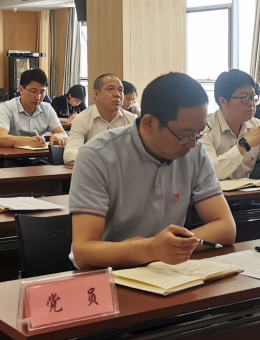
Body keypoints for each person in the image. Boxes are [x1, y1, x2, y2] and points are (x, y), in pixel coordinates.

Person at [69, 72, 236, 270]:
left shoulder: (195, 152)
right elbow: (84, 252)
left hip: (166, 270)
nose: (192, 144)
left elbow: (226, 227)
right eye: (185, 135)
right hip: (110, 274)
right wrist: (152, 249)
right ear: (149, 123)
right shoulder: (97, 155)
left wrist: (165, 247)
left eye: (199, 133)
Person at [202, 69, 260, 180]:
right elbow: (210, 173)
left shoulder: (258, 126)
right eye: (245, 98)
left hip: (247, 190)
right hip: (214, 191)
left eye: (253, 97)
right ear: (223, 101)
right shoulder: (204, 128)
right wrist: (244, 145)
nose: (251, 103)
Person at [0, 69, 67, 167]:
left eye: (42, 92)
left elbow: (64, 134)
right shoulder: (6, 107)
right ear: (21, 89)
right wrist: (29, 141)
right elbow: (0, 138)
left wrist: (58, 136)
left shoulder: (47, 108)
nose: (38, 97)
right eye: (33, 92)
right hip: (11, 159)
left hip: (39, 159)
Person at [63, 73, 136, 165]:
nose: (117, 94)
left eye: (120, 90)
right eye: (110, 89)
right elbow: (71, 155)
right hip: (94, 171)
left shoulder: (132, 120)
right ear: (96, 94)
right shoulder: (82, 119)